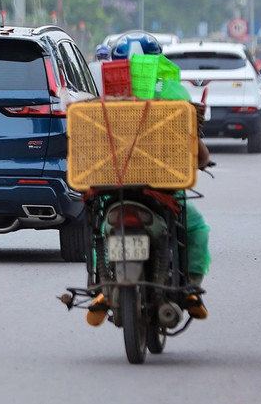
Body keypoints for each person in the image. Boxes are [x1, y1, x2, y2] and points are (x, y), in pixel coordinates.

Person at [86, 31, 211, 326]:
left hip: (113, 189)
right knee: (194, 228)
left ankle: (101, 290)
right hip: (160, 189)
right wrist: (202, 160)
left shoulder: (102, 100)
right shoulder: (174, 95)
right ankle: (190, 289)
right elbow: (198, 150)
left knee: (97, 228)